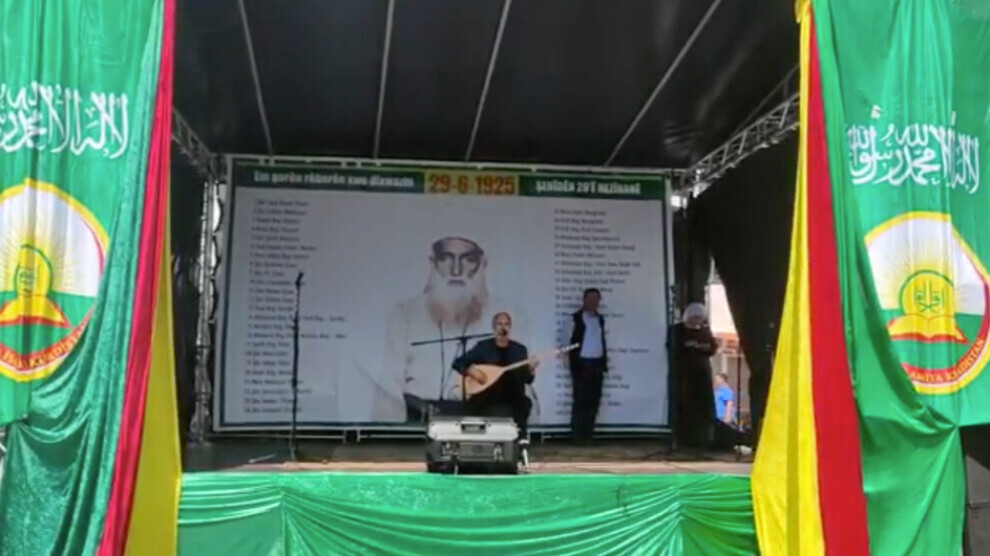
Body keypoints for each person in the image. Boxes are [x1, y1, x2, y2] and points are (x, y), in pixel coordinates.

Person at [374, 205, 529, 422]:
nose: (456, 270)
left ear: (483, 264)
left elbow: (525, 390)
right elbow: (388, 391)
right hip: (421, 416)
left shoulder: (510, 314)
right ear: (433, 262)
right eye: (446, 258)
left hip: (482, 413)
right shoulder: (404, 315)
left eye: (468, 259)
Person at [451, 312, 536, 437]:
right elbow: (458, 362)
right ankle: (476, 437)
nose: (503, 327)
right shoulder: (483, 347)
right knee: (472, 405)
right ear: (494, 328)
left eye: (506, 324)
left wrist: (531, 369)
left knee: (525, 403)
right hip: (487, 392)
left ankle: (520, 437)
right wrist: (471, 371)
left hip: (512, 393)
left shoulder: (519, 350)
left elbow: (527, 379)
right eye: (499, 324)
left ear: (510, 328)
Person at [667, 302, 719, 448]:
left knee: (703, 407)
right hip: (684, 375)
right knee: (684, 405)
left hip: (702, 374)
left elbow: (712, 348)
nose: (697, 321)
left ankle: (703, 439)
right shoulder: (678, 330)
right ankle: (682, 438)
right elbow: (673, 348)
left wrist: (699, 347)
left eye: (700, 318)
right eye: (694, 318)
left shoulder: (705, 332)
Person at [568, 287, 607, 444]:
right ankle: (577, 435)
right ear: (584, 300)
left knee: (594, 401)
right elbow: (566, 341)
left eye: (596, 299)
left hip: (597, 364)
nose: (593, 302)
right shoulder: (575, 319)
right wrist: (573, 360)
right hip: (582, 365)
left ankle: (588, 434)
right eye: (590, 299)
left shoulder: (600, 319)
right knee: (581, 400)